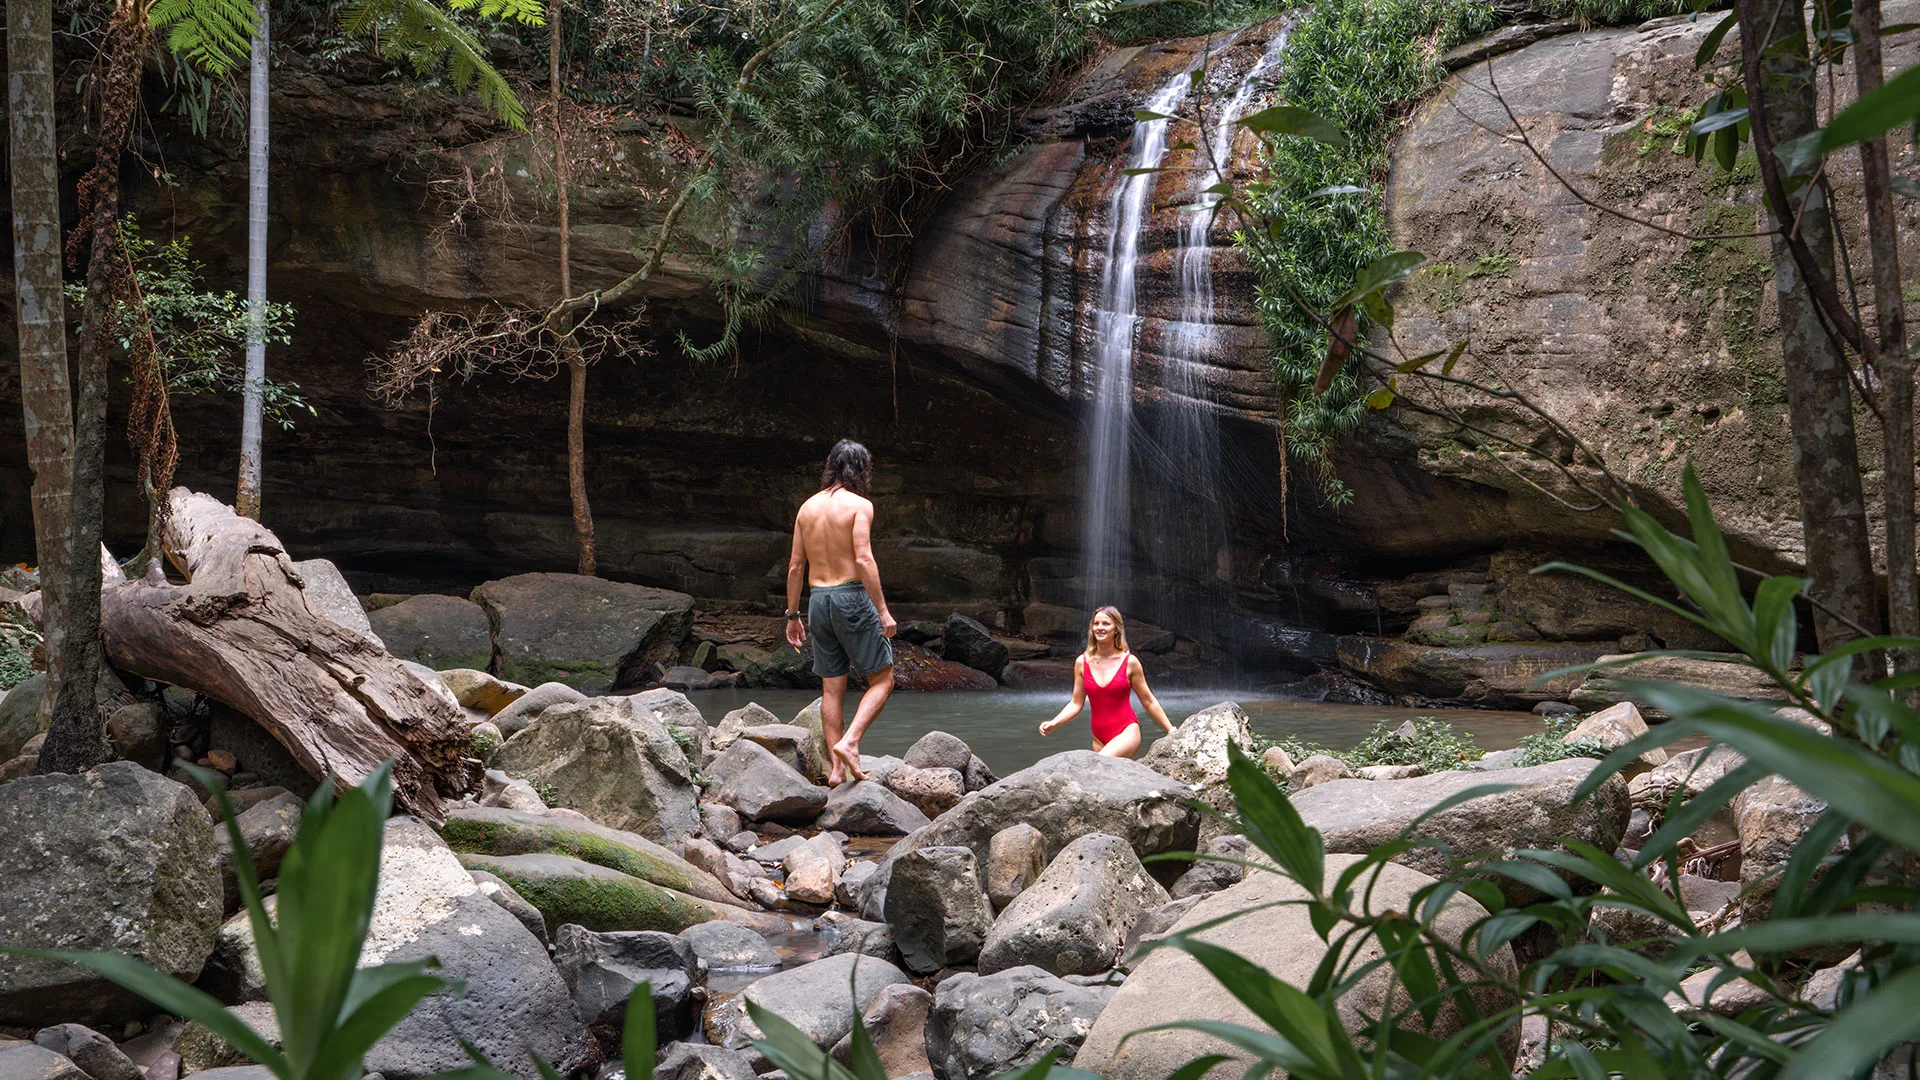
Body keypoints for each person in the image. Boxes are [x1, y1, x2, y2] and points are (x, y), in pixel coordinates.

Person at [786, 439, 898, 785]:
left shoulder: (806, 508)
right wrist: (883, 610)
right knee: (883, 678)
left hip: (818, 599)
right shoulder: (859, 506)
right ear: (861, 469)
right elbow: (864, 558)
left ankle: (836, 771)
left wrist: (792, 615)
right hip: (850, 595)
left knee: (831, 688)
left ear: (831, 466)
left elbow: (795, 566)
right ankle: (850, 743)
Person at [1038, 605, 1173, 757]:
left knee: (1095, 766)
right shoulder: (1082, 662)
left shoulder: (1130, 662)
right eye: (1096, 624)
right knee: (1109, 778)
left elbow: (1148, 700)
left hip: (1126, 732)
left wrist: (1171, 730)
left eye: (1106, 624)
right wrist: (1055, 723)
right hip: (1098, 737)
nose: (1099, 628)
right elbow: (1076, 702)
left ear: (1116, 629)